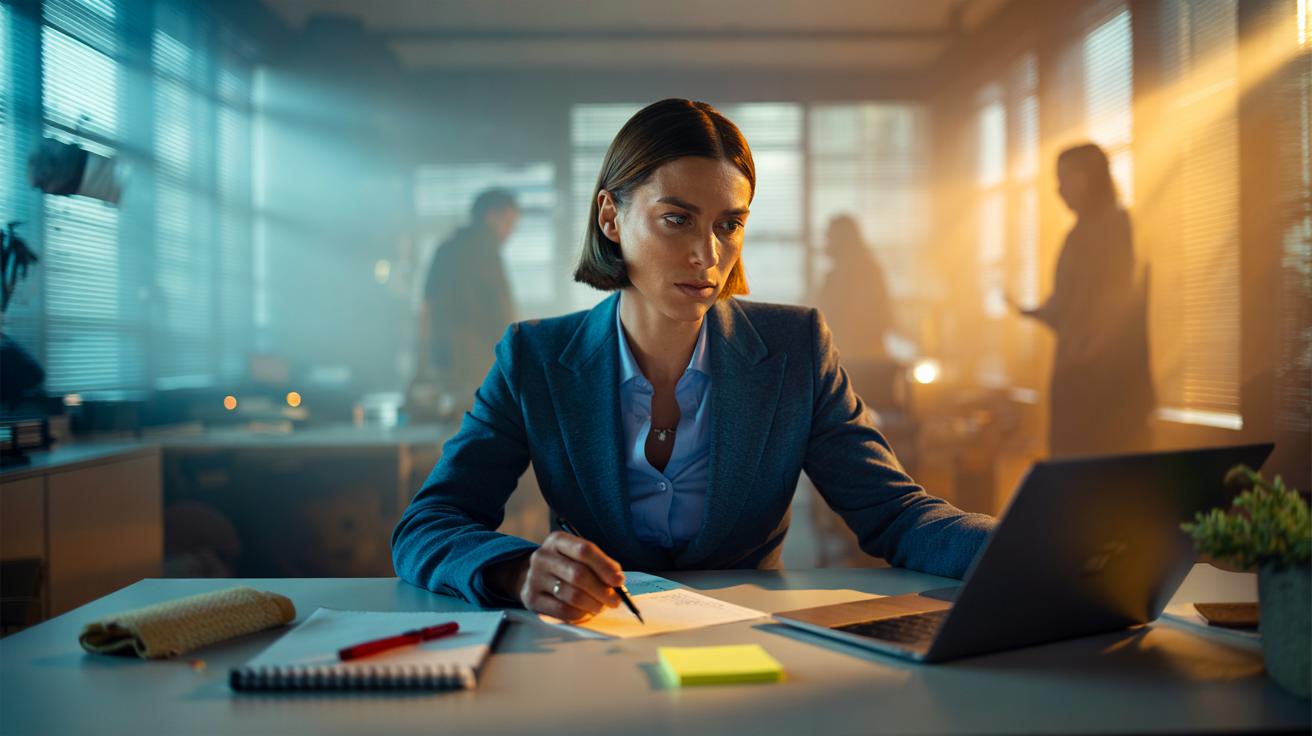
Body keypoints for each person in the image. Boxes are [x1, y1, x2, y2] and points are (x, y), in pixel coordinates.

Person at [393, 99, 995, 622]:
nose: (708, 254)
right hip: (590, 649)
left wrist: (1016, 544)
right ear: (611, 218)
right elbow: (429, 523)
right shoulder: (537, 358)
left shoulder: (795, 348)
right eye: (676, 219)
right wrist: (519, 570)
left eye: (729, 225)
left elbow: (895, 513)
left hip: (752, 648)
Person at [1011, 143, 1155, 458]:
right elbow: (1066, 305)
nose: (1058, 189)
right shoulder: (1077, 235)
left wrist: (1089, 347)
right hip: (1077, 383)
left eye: (1065, 178)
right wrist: (1031, 311)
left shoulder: (1119, 228)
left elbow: (1121, 301)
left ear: (1088, 177)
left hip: (1111, 388)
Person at [415, 188, 521, 412]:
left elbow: (426, 306)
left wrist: (425, 355)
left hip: (446, 358)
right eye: (509, 223)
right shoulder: (486, 251)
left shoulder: (445, 249)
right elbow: (501, 311)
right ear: (490, 217)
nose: (511, 232)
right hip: (479, 359)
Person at [814, 214, 894, 363]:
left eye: (829, 237)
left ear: (842, 239)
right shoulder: (869, 271)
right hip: (862, 356)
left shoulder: (858, 275)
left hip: (857, 358)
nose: (826, 243)